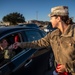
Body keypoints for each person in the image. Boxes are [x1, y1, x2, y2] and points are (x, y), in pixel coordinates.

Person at [13, 6, 75, 75]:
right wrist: (20, 44)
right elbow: (38, 43)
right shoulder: (53, 34)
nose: (50, 20)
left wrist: (67, 67)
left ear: (58, 18)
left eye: (51, 18)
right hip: (59, 72)